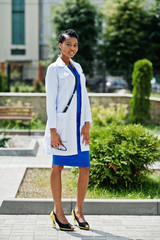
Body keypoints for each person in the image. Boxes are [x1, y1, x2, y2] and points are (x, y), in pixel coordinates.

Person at [43, 29, 92, 231]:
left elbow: (85, 95)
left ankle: (78, 211)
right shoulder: (53, 69)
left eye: (75, 45)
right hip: (62, 127)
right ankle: (58, 212)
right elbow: (50, 101)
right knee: (58, 168)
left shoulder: (78, 67)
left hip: (79, 126)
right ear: (60, 45)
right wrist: (53, 130)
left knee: (85, 167)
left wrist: (87, 123)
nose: (72, 48)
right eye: (68, 44)